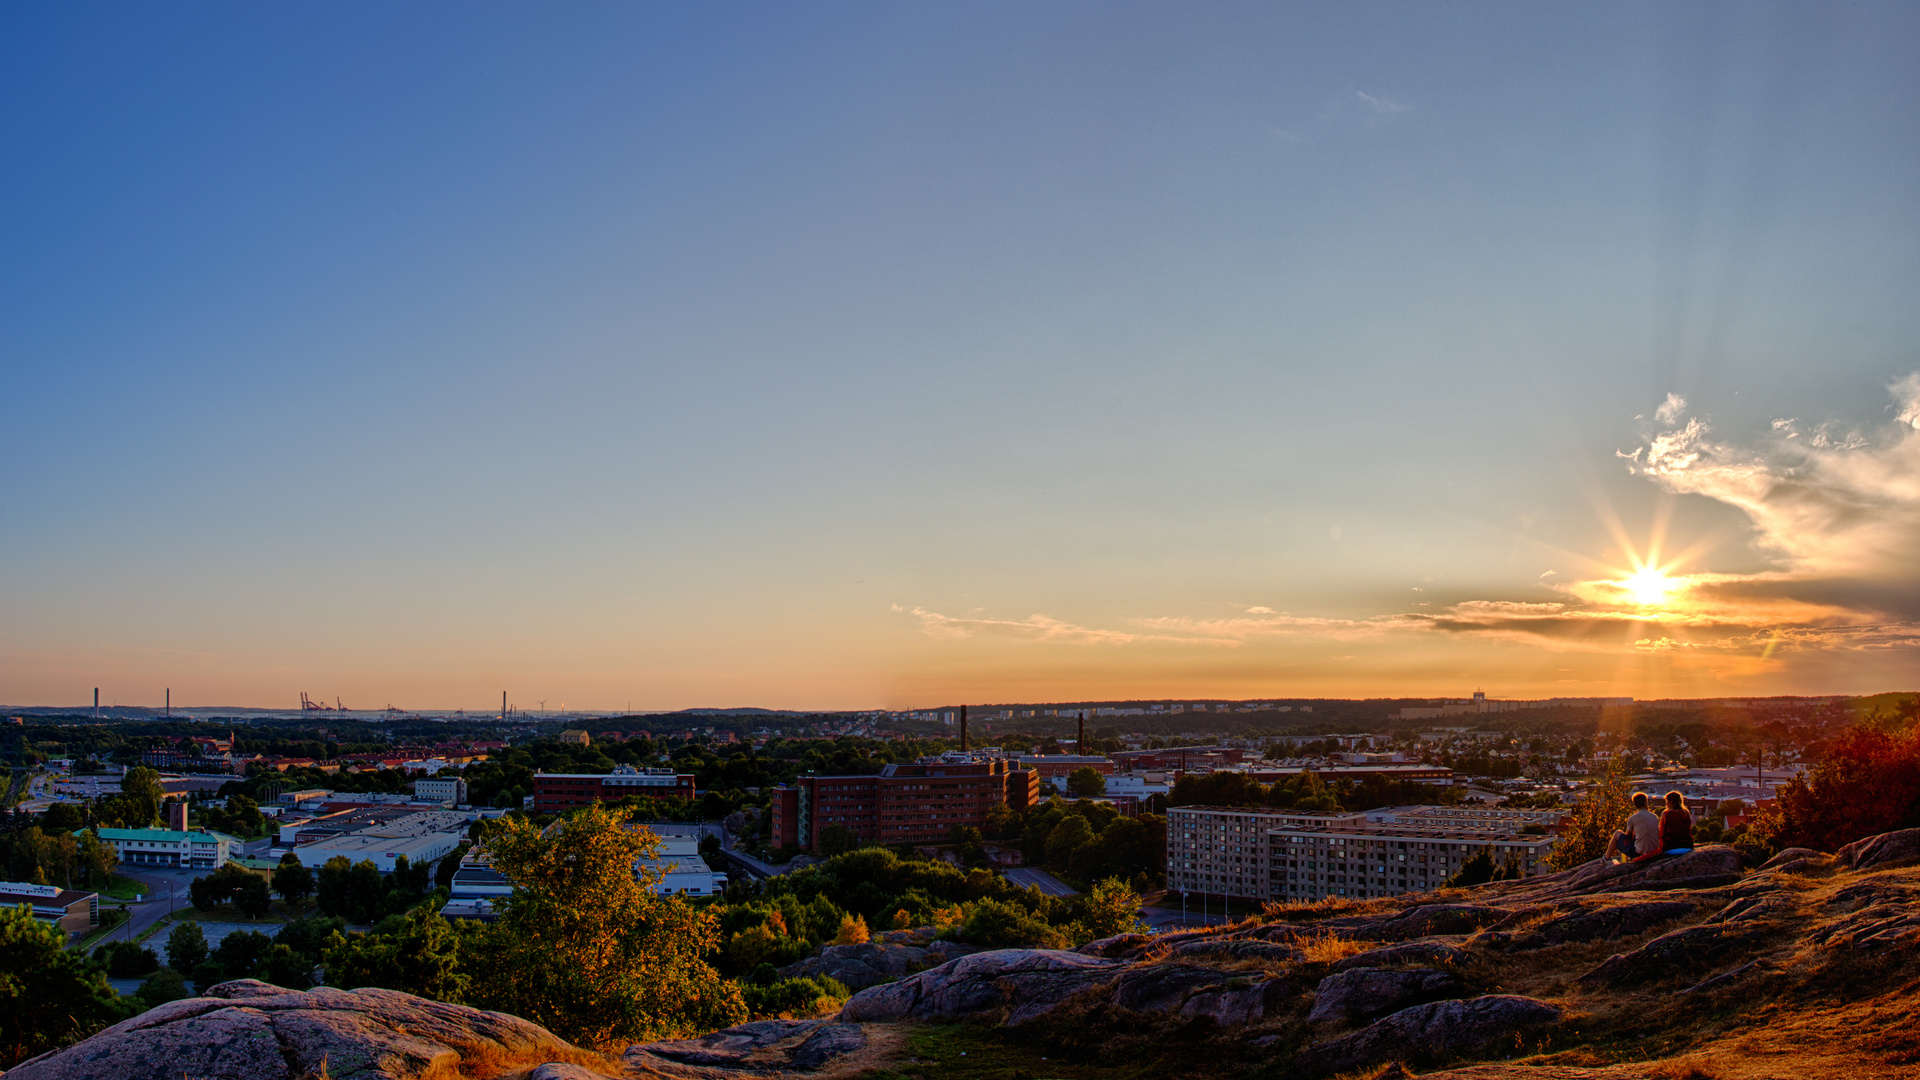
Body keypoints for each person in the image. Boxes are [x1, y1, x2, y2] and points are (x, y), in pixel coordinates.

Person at [1605, 792, 1662, 862]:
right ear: (1645, 802)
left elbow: (1628, 836)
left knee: (1617, 833)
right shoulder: (1654, 816)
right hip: (1655, 851)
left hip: (1639, 853)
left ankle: (1606, 858)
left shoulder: (1632, 818)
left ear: (1635, 804)